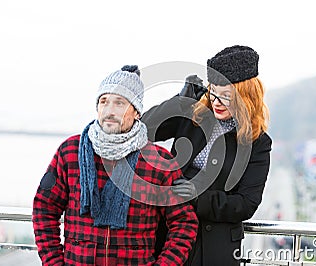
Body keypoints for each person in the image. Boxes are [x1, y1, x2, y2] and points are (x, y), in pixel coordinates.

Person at [32, 65, 198, 265]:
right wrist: (54, 262)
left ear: (136, 112)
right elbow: (44, 207)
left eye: (119, 103)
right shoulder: (70, 152)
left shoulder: (157, 161)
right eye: (104, 102)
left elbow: (183, 223)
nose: (109, 111)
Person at [142, 45, 272, 265]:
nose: (217, 102)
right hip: (170, 237)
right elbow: (144, 129)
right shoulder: (194, 115)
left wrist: (197, 197)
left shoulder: (258, 143)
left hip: (216, 249)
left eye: (226, 96)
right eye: (214, 93)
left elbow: (246, 204)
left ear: (246, 97)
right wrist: (179, 101)